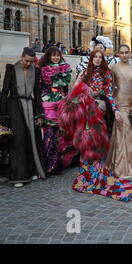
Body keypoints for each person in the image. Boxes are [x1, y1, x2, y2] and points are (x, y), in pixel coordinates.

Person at [59, 50, 132, 201]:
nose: (97, 59)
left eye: (100, 57)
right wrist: (78, 82)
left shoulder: (106, 74)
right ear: (91, 58)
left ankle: (96, 176)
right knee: (85, 143)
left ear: (103, 60)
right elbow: (74, 93)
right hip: (84, 114)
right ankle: (85, 176)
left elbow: (109, 93)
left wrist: (115, 110)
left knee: (97, 143)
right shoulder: (84, 73)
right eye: (95, 56)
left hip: (98, 113)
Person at [0, 48, 46, 187]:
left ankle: (32, 171)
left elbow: (37, 95)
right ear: (21, 58)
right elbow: (4, 92)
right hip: (14, 106)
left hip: (30, 106)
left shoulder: (36, 71)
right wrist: (2, 116)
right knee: (18, 140)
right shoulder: (11, 69)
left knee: (32, 139)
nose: (28, 64)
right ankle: (18, 176)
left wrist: (39, 114)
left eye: (31, 62)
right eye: (26, 61)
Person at [106, 45, 132, 179]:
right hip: (119, 107)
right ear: (118, 54)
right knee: (126, 134)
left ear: (130, 53)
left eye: (126, 52)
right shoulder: (112, 68)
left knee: (123, 136)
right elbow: (108, 87)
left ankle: (120, 165)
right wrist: (113, 108)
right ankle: (122, 169)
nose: (124, 55)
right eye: (122, 53)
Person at [37, 46, 75, 176]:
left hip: (61, 104)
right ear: (48, 56)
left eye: (57, 55)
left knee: (61, 135)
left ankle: (58, 164)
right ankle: (48, 165)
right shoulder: (42, 70)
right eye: (53, 55)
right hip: (47, 104)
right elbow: (40, 87)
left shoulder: (66, 69)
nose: (55, 57)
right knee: (49, 135)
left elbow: (65, 88)